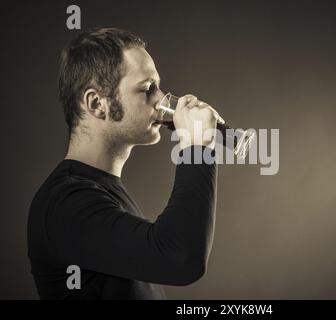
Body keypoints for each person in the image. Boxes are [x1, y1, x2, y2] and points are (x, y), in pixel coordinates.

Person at [27, 27, 222, 299]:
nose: (161, 101)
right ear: (97, 104)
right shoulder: (64, 203)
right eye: (147, 89)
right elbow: (180, 258)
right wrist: (196, 148)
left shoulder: (102, 190)